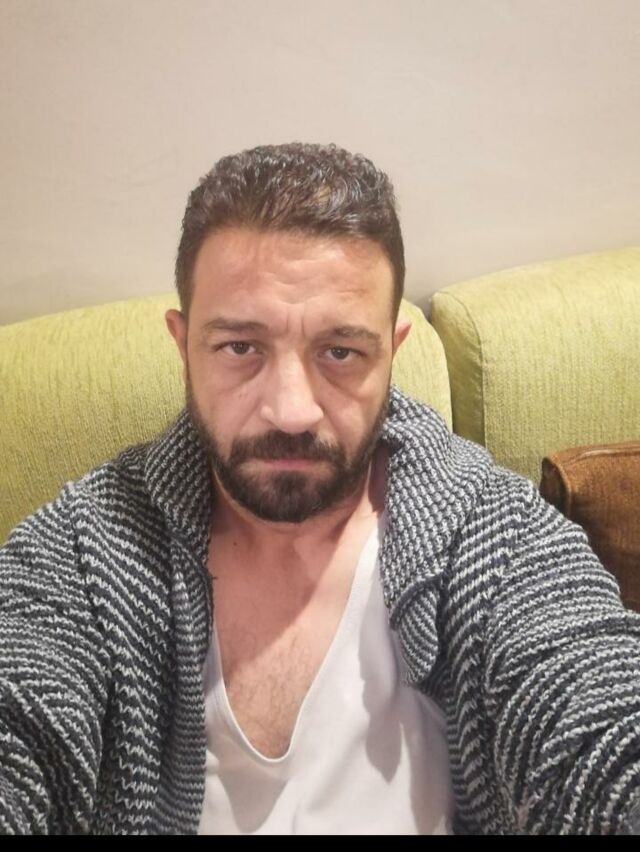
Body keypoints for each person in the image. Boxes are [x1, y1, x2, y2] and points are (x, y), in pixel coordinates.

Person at [1, 143, 639, 836]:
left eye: (340, 352)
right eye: (240, 347)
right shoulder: (81, 554)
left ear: (391, 352)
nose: (291, 411)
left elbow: (596, 718)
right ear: (183, 347)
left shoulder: (496, 534)